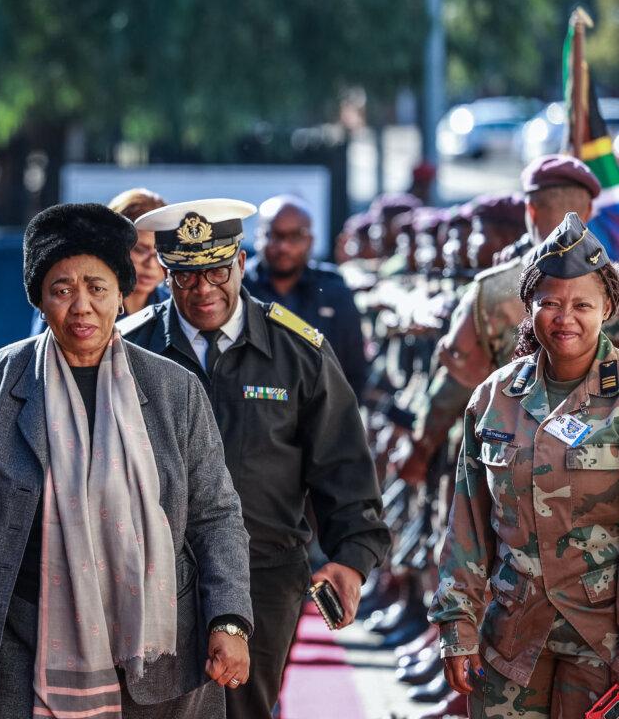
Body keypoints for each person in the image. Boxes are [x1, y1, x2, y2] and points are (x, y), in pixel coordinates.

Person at [0, 203, 253, 718]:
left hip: (154, 647)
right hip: (14, 638)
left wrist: (229, 619)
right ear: (39, 297)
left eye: (97, 288)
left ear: (121, 295)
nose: (82, 307)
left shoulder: (174, 390)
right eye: (62, 289)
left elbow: (216, 515)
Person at [120, 199, 391, 719]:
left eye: (217, 271)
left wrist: (353, 558)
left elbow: (343, 465)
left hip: (262, 572)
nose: (203, 289)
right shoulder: (132, 350)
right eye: (186, 276)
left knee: (244, 711)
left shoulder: (298, 351)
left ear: (242, 263)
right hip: (151, 575)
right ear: (167, 276)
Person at [431, 213, 619, 718]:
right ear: (529, 305)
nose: (565, 318)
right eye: (550, 303)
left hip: (603, 644)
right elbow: (467, 524)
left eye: (582, 304)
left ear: (607, 307)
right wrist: (456, 625)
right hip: (511, 639)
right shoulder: (494, 398)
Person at [398, 155, 601, 487]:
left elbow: (455, 380)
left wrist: (421, 448)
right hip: (600, 466)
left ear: (530, 210)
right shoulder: (612, 287)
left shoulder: (492, 289)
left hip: (511, 469)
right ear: (590, 211)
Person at [243, 194, 368, 399]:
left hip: (319, 408)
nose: (284, 246)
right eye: (275, 235)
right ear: (258, 236)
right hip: (251, 406)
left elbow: (353, 370)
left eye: (295, 236)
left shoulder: (332, 290)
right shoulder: (239, 287)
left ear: (310, 240)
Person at [29, 187, 170, 336]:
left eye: (162, 251)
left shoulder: (172, 306)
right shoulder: (64, 299)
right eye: (140, 250)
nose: (151, 264)